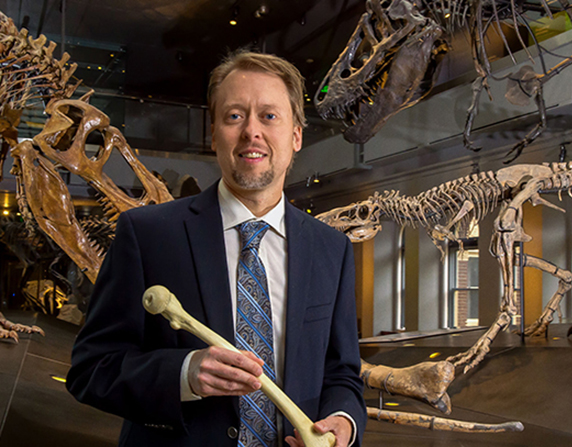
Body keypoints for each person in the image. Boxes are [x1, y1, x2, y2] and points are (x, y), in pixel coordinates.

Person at [67, 50, 366, 447]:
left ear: (296, 135)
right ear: (213, 135)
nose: (251, 132)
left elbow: (341, 371)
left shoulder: (332, 248)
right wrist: (184, 374)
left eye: (269, 116)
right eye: (235, 116)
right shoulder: (148, 235)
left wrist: (343, 424)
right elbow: (91, 369)